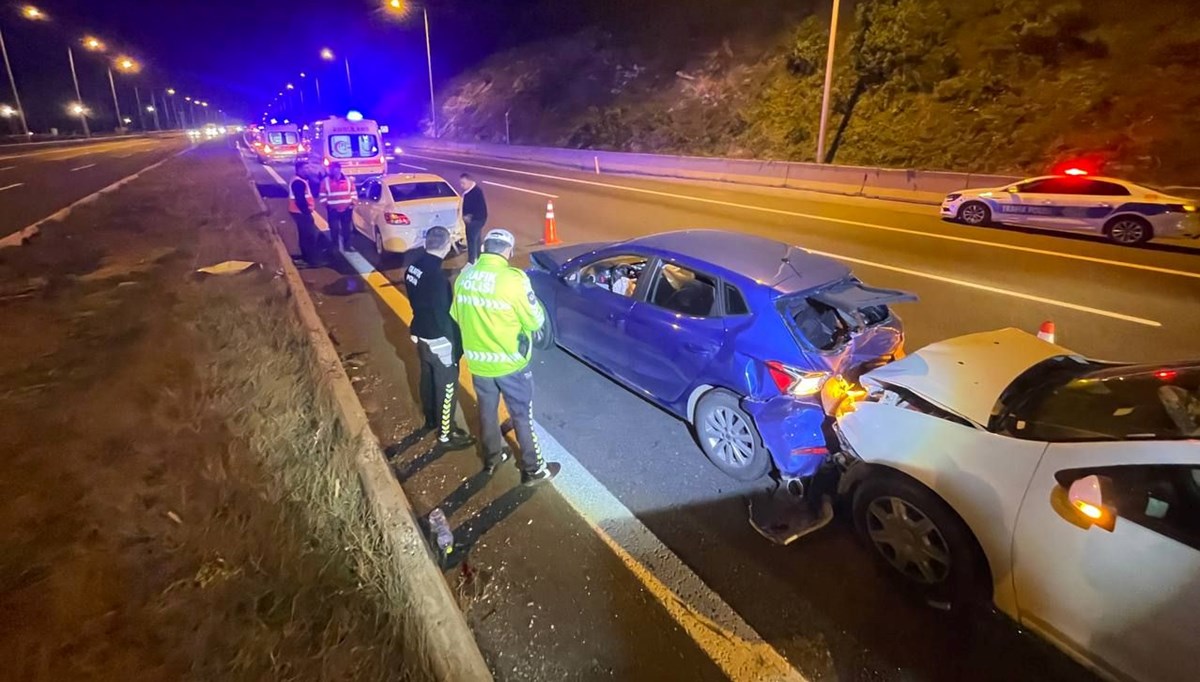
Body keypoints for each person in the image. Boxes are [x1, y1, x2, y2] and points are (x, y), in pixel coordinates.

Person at [451, 228, 560, 486]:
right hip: (510, 363)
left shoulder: (465, 277)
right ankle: (534, 469)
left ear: (486, 247)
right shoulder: (514, 279)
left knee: (487, 411)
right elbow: (535, 322)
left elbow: (456, 316)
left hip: (478, 362)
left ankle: (492, 456)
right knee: (522, 415)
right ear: (507, 251)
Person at [404, 225, 475, 451]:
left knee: (427, 378)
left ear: (427, 243)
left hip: (420, 332)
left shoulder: (413, 268)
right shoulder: (436, 278)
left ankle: (431, 419)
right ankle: (446, 433)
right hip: (438, 337)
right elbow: (442, 313)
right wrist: (453, 345)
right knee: (446, 384)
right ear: (446, 246)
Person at [287, 161, 322, 265]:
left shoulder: (302, 180)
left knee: (305, 235)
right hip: (300, 213)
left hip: (299, 212)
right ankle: (310, 260)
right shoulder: (298, 182)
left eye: (307, 168)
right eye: (304, 169)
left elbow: (314, 193)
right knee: (309, 236)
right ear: (298, 169)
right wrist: (307, 212)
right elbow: (300, 200)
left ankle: (306, 257)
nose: (307, 170)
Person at [321, 162, 356, 251]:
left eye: (335, 169)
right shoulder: (326, 181)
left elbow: (353, 193)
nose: (333, 171)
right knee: (334, 229)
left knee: (347, 229)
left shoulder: (348, 180)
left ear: (339, 169)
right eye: (331, 169)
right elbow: (322, 195)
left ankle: (347, 246)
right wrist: (327, 206)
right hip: (333, 210)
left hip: (346, 209)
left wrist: (352, 204)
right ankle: (335, 246)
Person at [459, 173, 488, 264]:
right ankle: (479, 258)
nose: (461, 185)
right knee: (477, 239)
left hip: (475, 221)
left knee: (471, 241)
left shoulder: (476, 192)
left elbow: (480, 208)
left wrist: (469, 217)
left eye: (463, 183)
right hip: (476, 220)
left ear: (470, 181)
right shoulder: (470, 191)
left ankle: (471, 262)